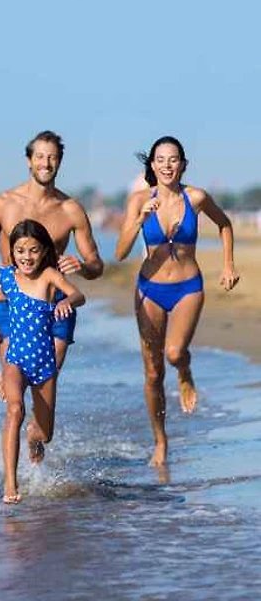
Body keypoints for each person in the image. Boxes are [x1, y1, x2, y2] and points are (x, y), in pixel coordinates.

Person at [115, 136, 239, 467]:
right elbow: (120, 252)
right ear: (152, 165)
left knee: (173, 353)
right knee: (153, 372)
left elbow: (224, 224)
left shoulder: (196, 197)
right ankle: (160, 440)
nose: (167, 165)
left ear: (183, 165)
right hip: (149, 289)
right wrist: (140, 219)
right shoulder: (139, 200)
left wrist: (228, 264)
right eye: (161, 159)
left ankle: (184, 370)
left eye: (173, 159)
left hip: (188, 287)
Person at [0, 219, 86, 504]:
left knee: (45, 434)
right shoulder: (8, 275)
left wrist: (67, 301)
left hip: (44, 362)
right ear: (12, 252)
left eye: (33, 250)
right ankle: (10, 483)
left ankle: (33, 437)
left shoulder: (49, 275)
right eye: (20, 251)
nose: (27, 257)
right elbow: (5, 294)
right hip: (15, 359)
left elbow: (79, 295)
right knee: (15, 410)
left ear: (44, 251)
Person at [0, 130, 103, 397]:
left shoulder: (71, 209)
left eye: (52, 157)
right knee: (14, 397)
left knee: (43, 392)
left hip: (55, 305)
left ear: (59, 161)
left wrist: (83, 267)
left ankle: (38, 425)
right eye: (40, 156)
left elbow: (96, 265)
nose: (46, 163)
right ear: (29, 160)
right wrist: (0, 286)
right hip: (13, 305)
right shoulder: (5, 204)